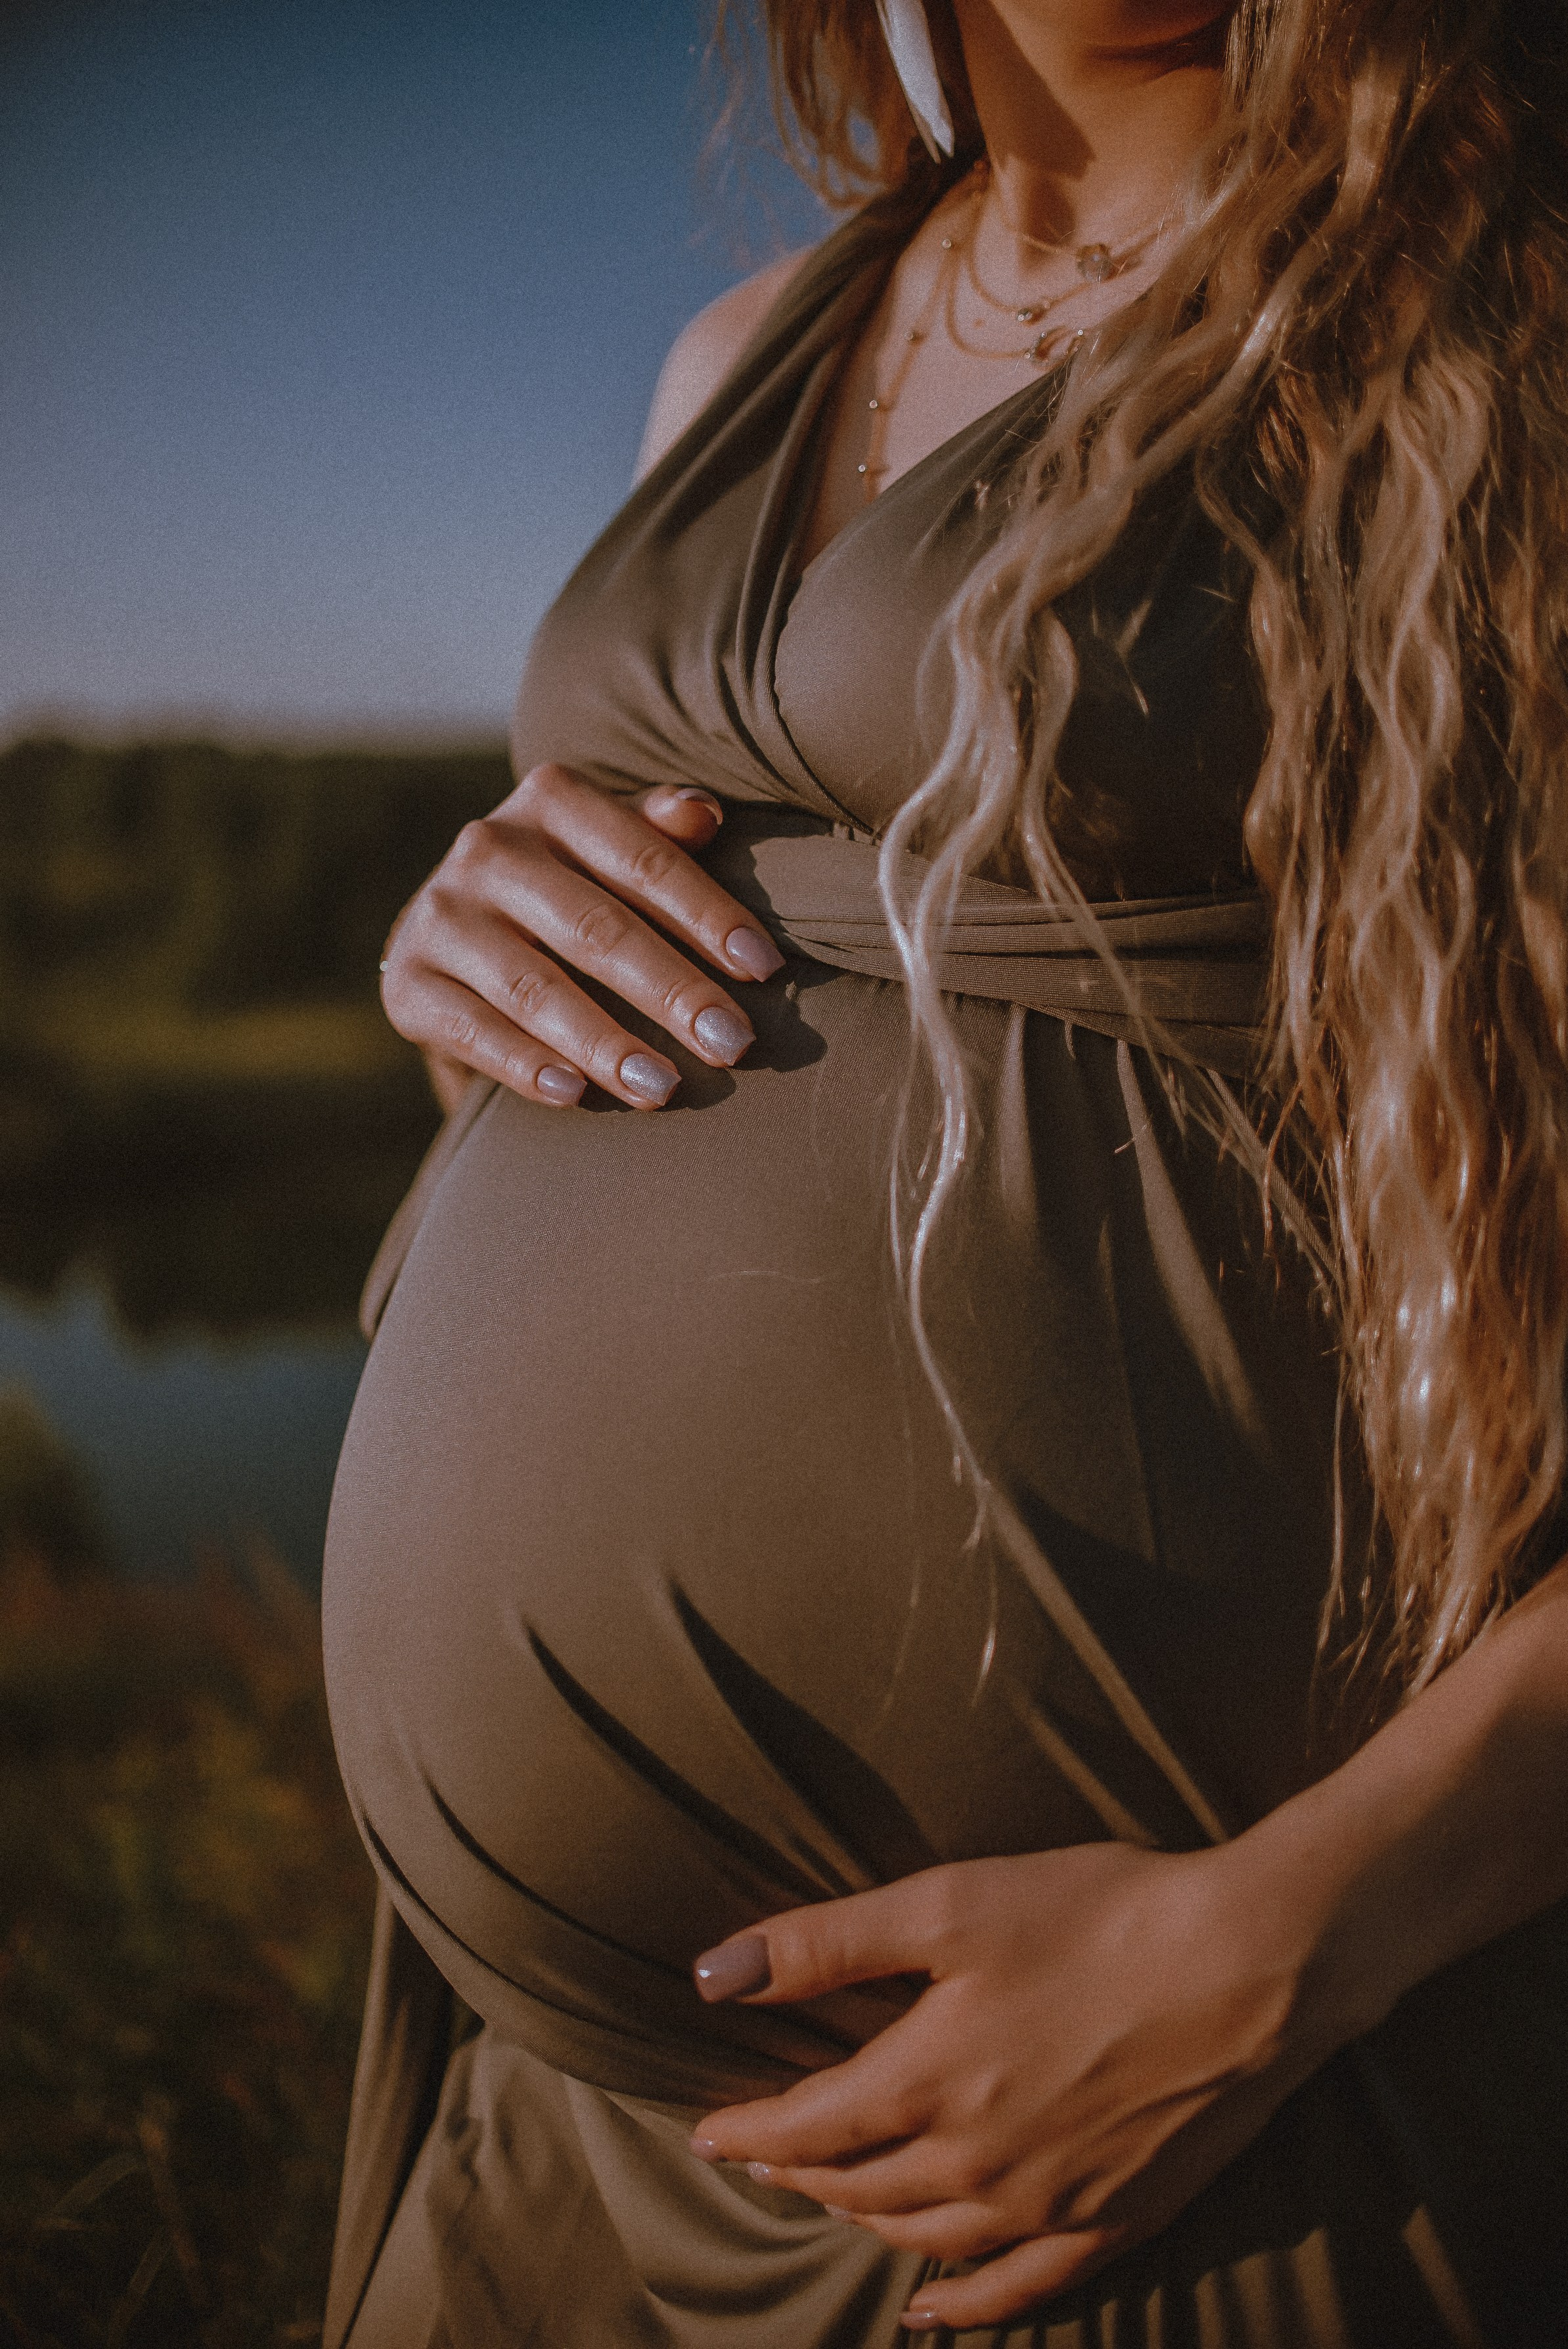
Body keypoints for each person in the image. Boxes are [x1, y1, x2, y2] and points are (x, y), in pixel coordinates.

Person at [320, 3, 1568, 2342]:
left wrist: (1298, 1934)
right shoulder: (739, 353)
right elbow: (792, 1043)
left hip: (1186, 2114)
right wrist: (478, 968)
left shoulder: (1508, 309)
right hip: (574, 2120)